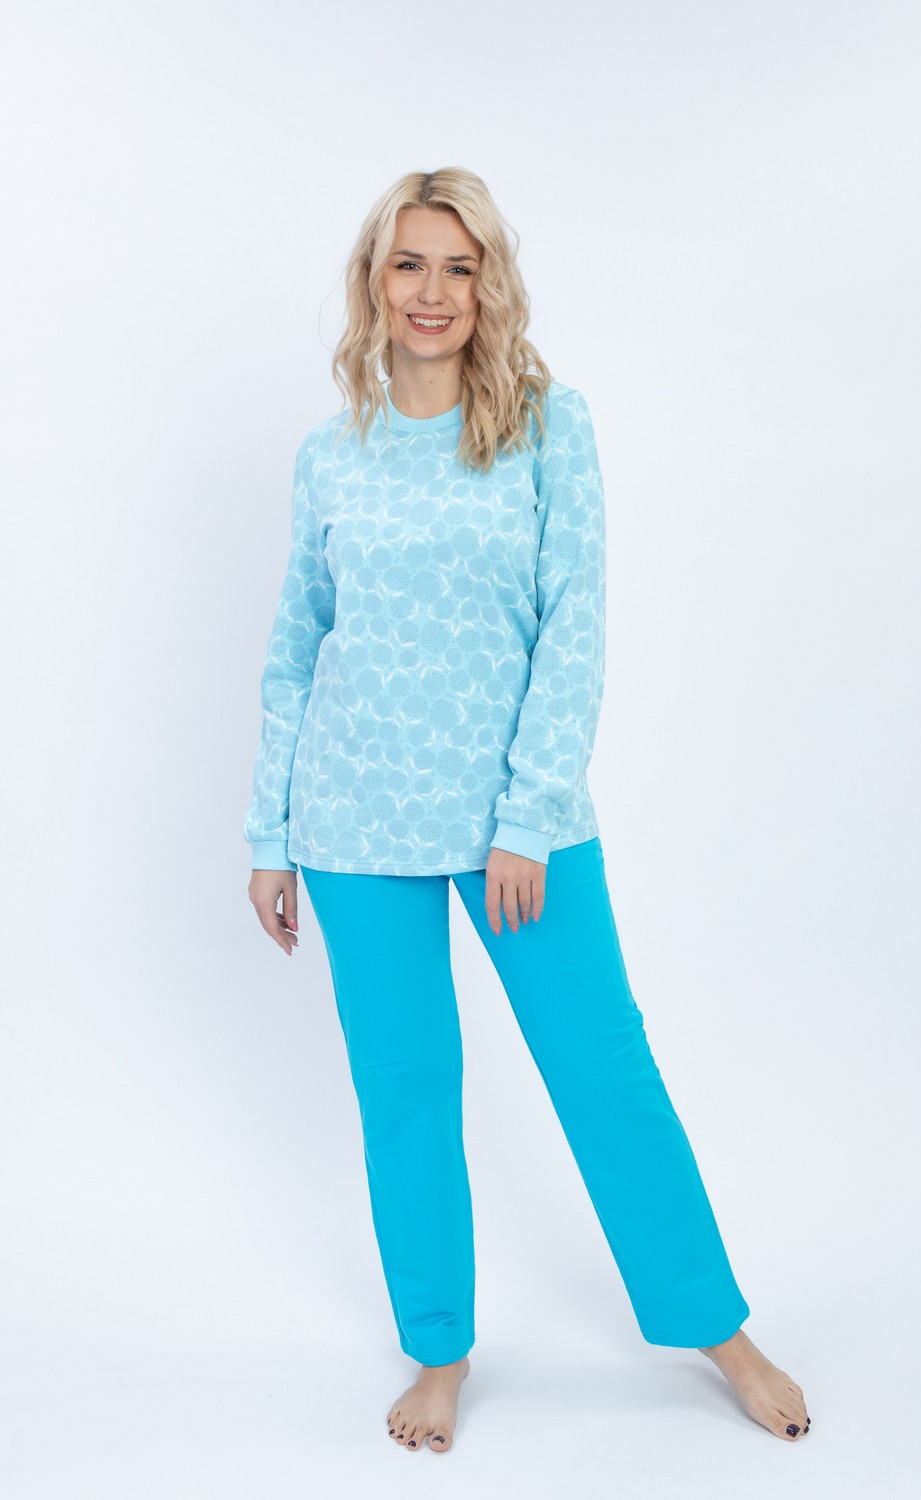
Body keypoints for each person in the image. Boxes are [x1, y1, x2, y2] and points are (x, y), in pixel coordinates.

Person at [244, 166, 810, 1455]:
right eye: (409, 264)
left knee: (605, 1072)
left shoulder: (551, 428)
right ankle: (439, 1349)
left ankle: (717, 1328)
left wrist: (529, 814)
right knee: (406, 1094)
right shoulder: (330, 457)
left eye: (460, 267)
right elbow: (296, 648)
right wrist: (269, 835)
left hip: (520, 831)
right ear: (373, 282)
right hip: (352, 825)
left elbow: (574, 625)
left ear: (490, 285)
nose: (433, 292)